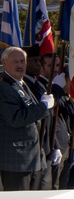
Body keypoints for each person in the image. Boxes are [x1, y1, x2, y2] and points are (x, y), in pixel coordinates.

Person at [0, 47, 53, 190]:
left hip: (32, 156)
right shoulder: (4, 87)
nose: (20, 65)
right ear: (4, 63)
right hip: (16, 160)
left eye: (22, 61)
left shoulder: (22, 84)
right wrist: (43, 107)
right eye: (15, 61)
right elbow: (16, 118)